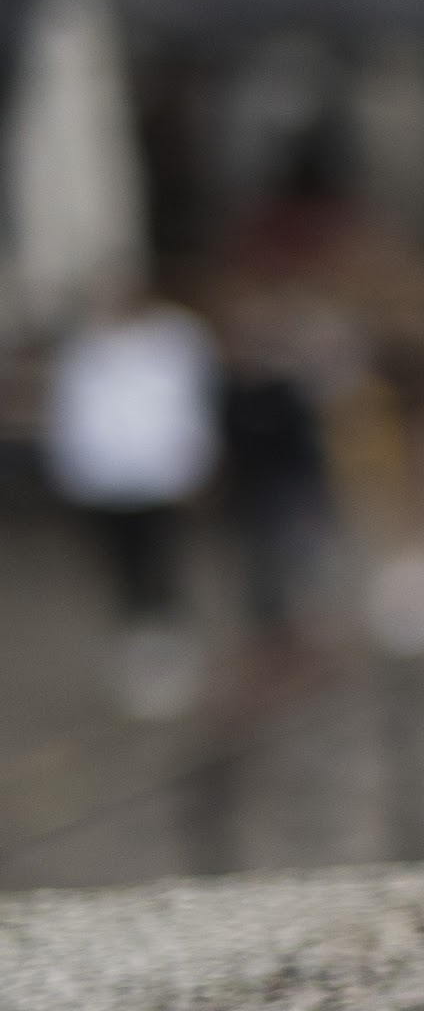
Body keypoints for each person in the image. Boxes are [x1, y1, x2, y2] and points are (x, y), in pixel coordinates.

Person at [41, 268, 219, 719]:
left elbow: (188, 403)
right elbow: (72, 412)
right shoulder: (87, 346)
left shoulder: (172, 339)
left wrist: (192, 463)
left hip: (157, 477)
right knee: (123, 569)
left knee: (158, 563)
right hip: (106, 481)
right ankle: (138, 651)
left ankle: (166, 654)